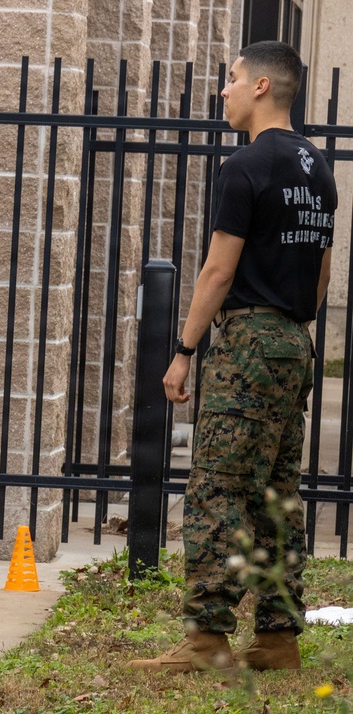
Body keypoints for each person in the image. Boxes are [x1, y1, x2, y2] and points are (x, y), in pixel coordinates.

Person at [129, 41, 337, 673]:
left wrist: (184, 349)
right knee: (276, 491)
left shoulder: (245, 165)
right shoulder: (317, 167)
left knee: (217, 487)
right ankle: (278, 638)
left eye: (232, 79)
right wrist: (295, 330)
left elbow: (218, 270)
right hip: (293, 342)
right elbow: (323, 270)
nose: (223, 91)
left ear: (261, 89)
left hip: (247, 342)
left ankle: (207, 638)